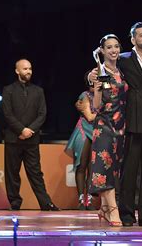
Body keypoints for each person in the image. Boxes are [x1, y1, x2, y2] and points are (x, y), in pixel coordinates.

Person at [89, 22, 142, 227]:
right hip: (129, 123)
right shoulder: (124, 59)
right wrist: (90, 76)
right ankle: (125, 213)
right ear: (133, 39)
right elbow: (101, 72)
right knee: (128, 172)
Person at [2, 58, 59, 211]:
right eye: (25, 69)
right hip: (14, 138)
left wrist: (29, 131)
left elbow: (42, 114)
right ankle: (14, 202)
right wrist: (21, 130)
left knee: (35, 173)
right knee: (12, 172)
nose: (28, 71)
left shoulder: (38, 91)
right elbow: (7, 114)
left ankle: (45, 203)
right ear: (17, 71)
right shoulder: (8, 90)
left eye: (30, 69)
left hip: (31, 138)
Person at [88, 34, 128, 227]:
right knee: (103, 167)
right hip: (104, 126)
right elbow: (95, 107)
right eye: (109, 47)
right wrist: (96, 88)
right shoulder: (98, 72)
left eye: (116, 47)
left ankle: (103, 207)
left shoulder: (121, 71)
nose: (113, 50)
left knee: (114, 169)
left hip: (121, 126)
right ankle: (113, 210)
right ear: (102, 51)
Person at [65, 73, 97, 210]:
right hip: (84, 130)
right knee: (82, 165)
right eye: (93, 79)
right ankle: (80, 199)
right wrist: (107, 113)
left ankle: (89, 199)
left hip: (97, 132)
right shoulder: (84, 96)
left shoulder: (105, 96)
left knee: (92, 167)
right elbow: (89, 117)